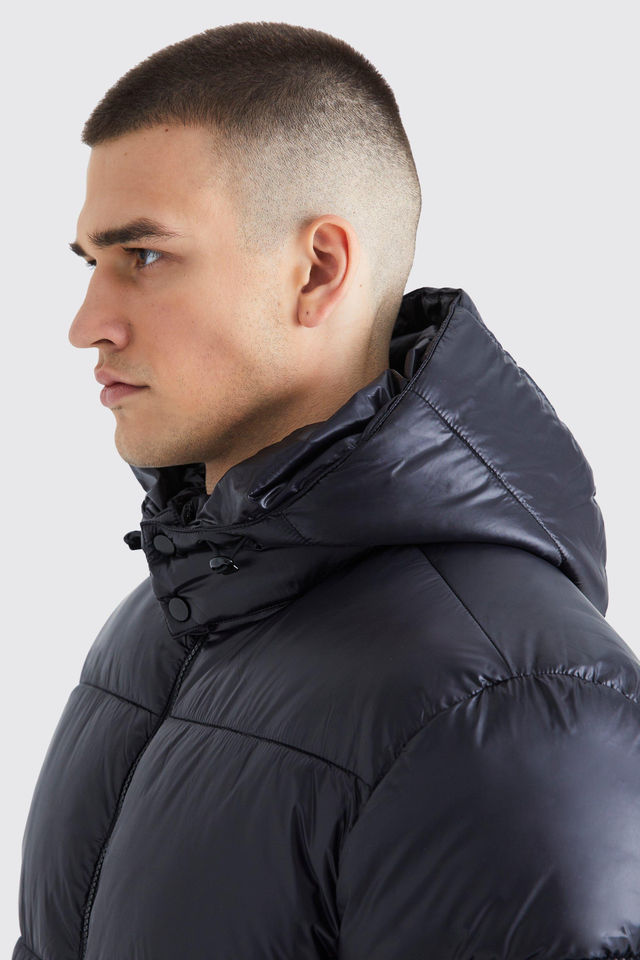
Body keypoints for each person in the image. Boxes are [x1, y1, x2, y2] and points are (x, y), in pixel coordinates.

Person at [12, 20, 640, 960]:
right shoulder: (165, 623)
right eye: (90, 263)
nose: (87, 323)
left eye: (143, 257)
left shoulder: (510, 708)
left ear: (318, 272)